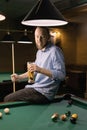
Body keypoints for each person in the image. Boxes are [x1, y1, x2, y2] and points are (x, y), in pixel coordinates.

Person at [4, 27, 66, 104]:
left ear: (48, 37)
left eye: (42, 37)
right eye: (37, 36)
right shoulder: (39, 52)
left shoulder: (55, 51)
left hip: (44, 93)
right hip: (35, 88)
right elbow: (34, 71)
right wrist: (19, 77)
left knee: (7, 99)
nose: (39, 40)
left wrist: (40, 69)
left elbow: (61, 75)